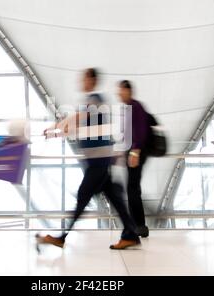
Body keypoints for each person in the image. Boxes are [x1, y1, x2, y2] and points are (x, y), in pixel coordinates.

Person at [36, 68, 141, 250]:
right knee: (115, 199)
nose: (81, 82)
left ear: (92, 80)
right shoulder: (91, 103)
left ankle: (62, 237)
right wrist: (55, 133)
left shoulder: (95, 101)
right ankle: (131, 234)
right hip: (98, 161)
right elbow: (76, 127)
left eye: (84, 78)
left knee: (83, 196)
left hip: (99, 162)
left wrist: (55, 126)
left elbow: (76, 119)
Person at [118, 80, 150, 238]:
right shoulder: (128, 108)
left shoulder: (135, 107)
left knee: (133, 189)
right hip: (131, 153)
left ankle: (140, 225)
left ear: (128, 91)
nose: (119, 94)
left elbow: (140, 131)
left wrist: (135, 152)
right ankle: (136, 225)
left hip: (135, 153)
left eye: (121, 91)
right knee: (132, 189)